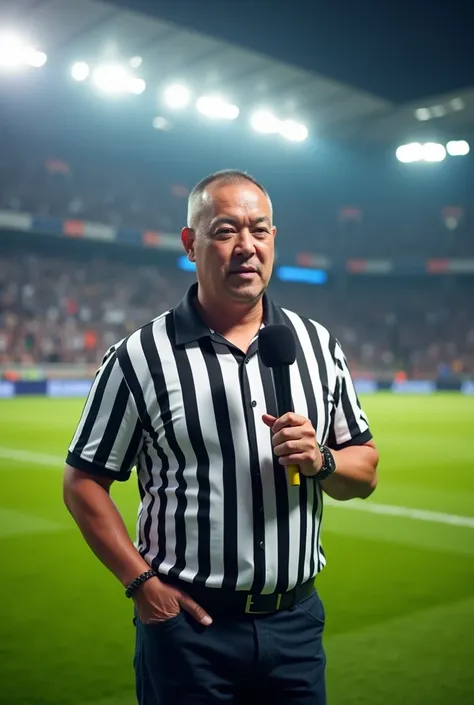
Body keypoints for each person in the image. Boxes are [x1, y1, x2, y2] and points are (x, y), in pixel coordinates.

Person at [63, 169, 379, 705]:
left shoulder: (318, 345)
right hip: (189, 630)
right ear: (191, 243)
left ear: (274, 239)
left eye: (259, 230)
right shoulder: (139, 357)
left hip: (297, 625)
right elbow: (83, 483)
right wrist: (143, 586)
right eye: (226, 231)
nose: (246, 247)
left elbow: (364, 470)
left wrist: (322, 460)